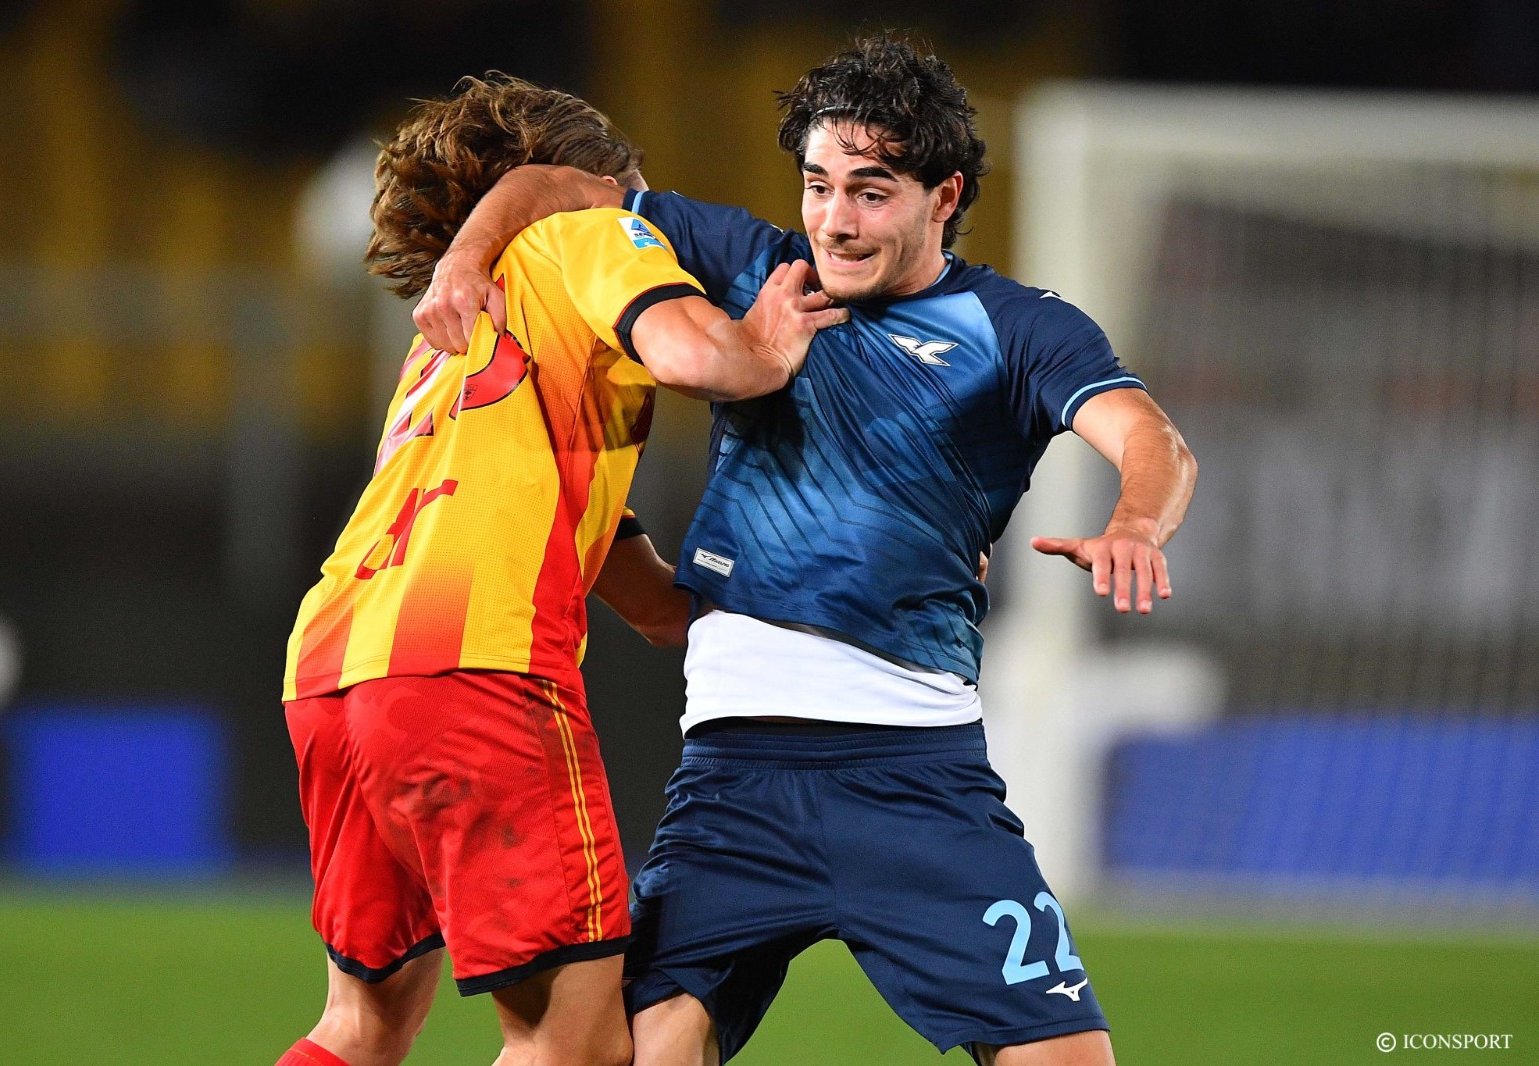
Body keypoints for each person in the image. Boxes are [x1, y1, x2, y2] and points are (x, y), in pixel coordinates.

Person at [416, 35, 1197, 1066]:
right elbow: (554, 187)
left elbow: (1150, 439)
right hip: (731, 782)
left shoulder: (1018, 328)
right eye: (819, 185)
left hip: (917, 778)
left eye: (871, 192)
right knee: (633, 1053)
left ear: (945, 195)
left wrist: (1134, 522)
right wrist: (464, 259)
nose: (835, 219)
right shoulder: (754, 263)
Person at [276, 74, 845, 1066]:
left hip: (332, 671)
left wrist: (825, 582)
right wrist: (759, 352)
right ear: (595, 178)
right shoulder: (588, 234)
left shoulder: (460, 339)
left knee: (362, 1027)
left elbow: (659, 608)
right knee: (569, 1044)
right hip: (472, 667)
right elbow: (693, 356)